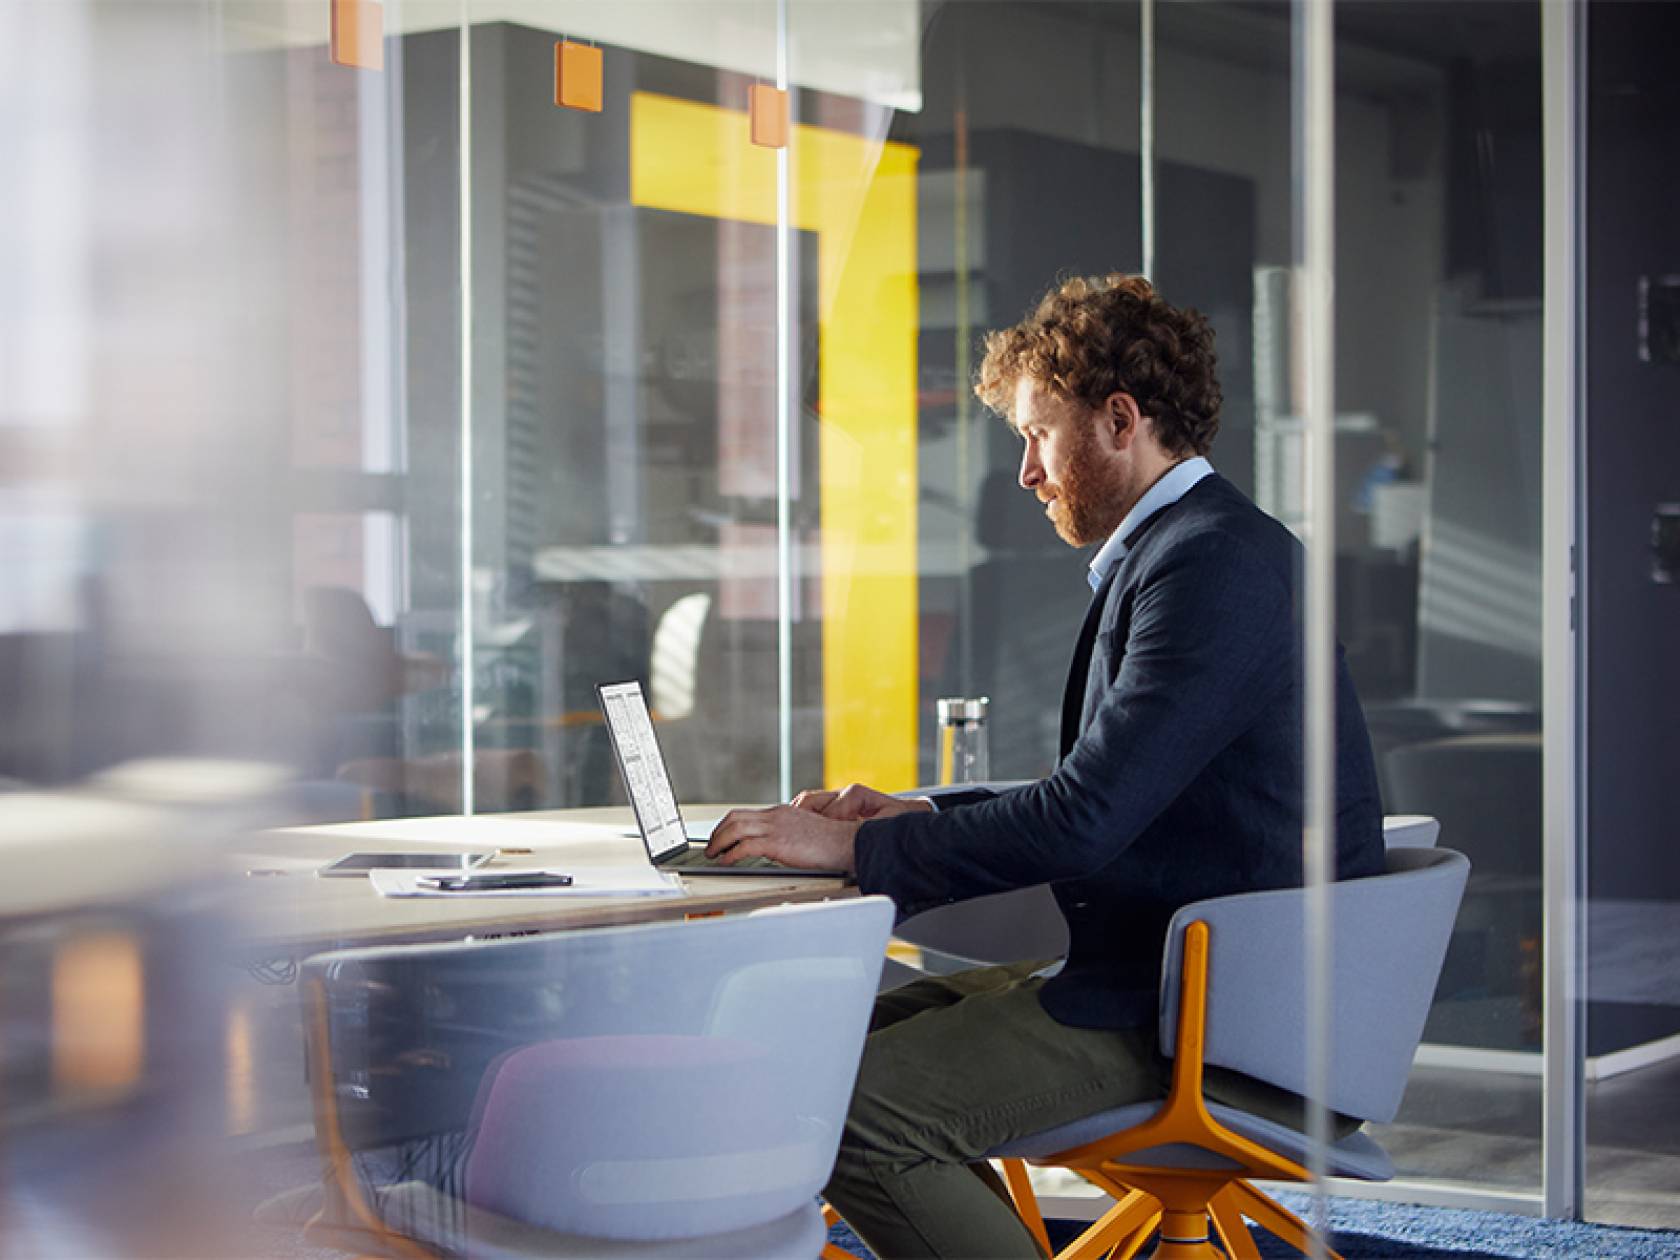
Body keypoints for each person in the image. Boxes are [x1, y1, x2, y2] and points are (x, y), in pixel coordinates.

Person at [706, 273, 1385, 1259]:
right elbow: (1111, 797)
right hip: (1169, 977)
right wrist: (906, 820)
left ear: (1120, 421)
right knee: (817, 1053)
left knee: (847, 1113)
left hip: (1210, 1020)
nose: (1025, 472)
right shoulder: (1191, 550)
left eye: (1036, 435)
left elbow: (1085, 818)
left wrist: (847, 848)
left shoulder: (1212, 567)